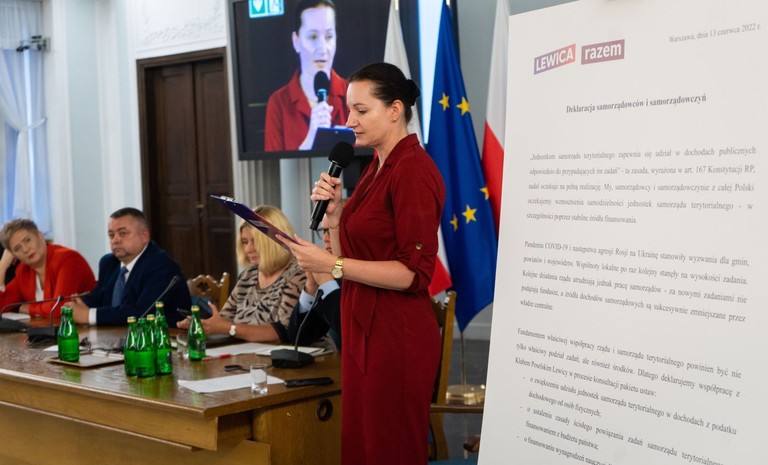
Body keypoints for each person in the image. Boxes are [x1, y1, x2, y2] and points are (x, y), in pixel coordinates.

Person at [280, 62, 446, 464]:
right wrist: (336, 216)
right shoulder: (375, 166)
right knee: (361, 447)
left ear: (395, 110)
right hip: (362, 328)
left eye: (361, 110)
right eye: (349, 109)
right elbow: (354, 255)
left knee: (390, 450)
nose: (349, 120)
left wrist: (331, 263)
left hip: (395, 335)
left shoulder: (413, 170)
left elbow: (412, 273)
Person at [178, 205, 319, 346]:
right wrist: (204, 323)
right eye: (245, 242)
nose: (248, 249)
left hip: (297, 356)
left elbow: (282, 333)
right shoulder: (248, 275)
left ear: (274, 241)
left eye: (255, 241)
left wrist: (228, 328)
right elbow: (224, 320)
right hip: (249, 354)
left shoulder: (299, 273)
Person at [67, 208, 190, 328]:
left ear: (144, 236)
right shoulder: (108, 263)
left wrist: (89, 315)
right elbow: (97, 300)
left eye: (122, 233)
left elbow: (142, 313)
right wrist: (79, 307)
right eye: (111, 235)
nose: (115, 240)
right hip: (112, 336)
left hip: (160, 336)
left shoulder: (161, 265)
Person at [264, 0, 349, 151]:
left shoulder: (352, 94)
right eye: (313, 37)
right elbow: (274, 162)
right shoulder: (278, 103)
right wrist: (311, 138)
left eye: (329, 36)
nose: (322, 48)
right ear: (296, 41)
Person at [0, 219, 96, 318]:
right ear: (13, 255)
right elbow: (2, 306)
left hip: (86, 326)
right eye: (17, 248)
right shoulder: (23, 270)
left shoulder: (68, 259)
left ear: (40, 236)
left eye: (27, 240)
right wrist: (2, 266)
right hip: (47, 326)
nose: (25, 249)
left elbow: (60, 309)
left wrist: (28, 308)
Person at [280, 213, 341, 349]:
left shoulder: (367, 274)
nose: (325, 238)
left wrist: (327, 284)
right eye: (323, 231)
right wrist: (311, 287)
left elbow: (351, 334)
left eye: (331, 230)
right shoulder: (334, 274)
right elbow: (299, 338)